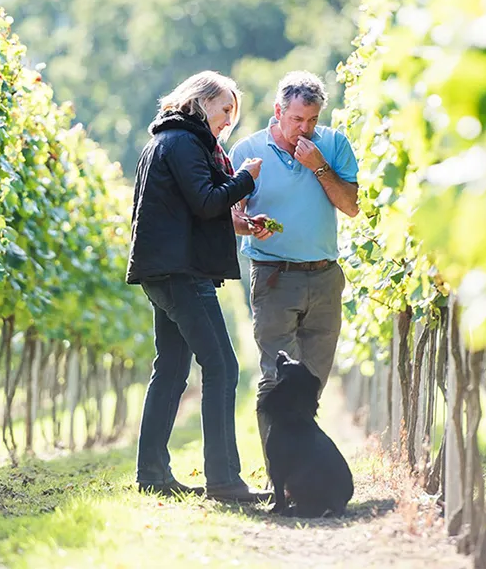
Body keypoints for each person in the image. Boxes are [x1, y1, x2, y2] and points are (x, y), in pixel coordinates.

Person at [126, 70, 270, 502]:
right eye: (225, 109)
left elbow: (192, 208)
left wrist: (239, 224)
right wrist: (245, 178)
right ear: (201, 102)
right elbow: (207, 199)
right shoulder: (186, 142)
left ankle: (152, 473)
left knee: (170, 369)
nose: (228, 120)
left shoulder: (165, 141)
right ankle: (224, 480)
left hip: (163, 271)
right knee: (223, 366)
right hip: (180, 274)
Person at [228, 71, 360, 454]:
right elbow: (231, 218)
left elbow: (351, 206)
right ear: (277, 111)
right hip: (273, 277)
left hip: (324, 277)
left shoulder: (333, 144)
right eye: (297, 119)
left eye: (312, 120)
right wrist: (249, 227)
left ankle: (304, 467)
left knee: (312, 382)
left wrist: (319, 166)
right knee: (275, 379)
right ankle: (278, 476)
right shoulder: (247, 151)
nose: (304, 128)